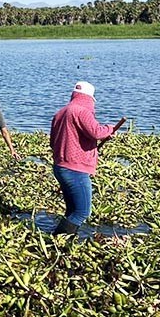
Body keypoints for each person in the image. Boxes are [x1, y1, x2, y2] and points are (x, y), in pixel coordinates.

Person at [49, 81, 117, 236]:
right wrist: (110, 129)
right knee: (82, 212)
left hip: (60, 167)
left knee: (72, 210)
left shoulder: (60, 112)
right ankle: (55, 240)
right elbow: (96, 132)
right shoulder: (81, 111)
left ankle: (66, 242)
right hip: (75, 170)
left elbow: (53, 143)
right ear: (88, 98)